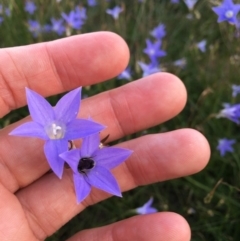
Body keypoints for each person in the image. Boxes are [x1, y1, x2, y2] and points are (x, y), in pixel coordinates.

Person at [0, 32, 210, 241]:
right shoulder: (69, 149)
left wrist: (73, 154)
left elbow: (78, 152)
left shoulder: (78, 152)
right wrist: (70, 154)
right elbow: (73, 152)